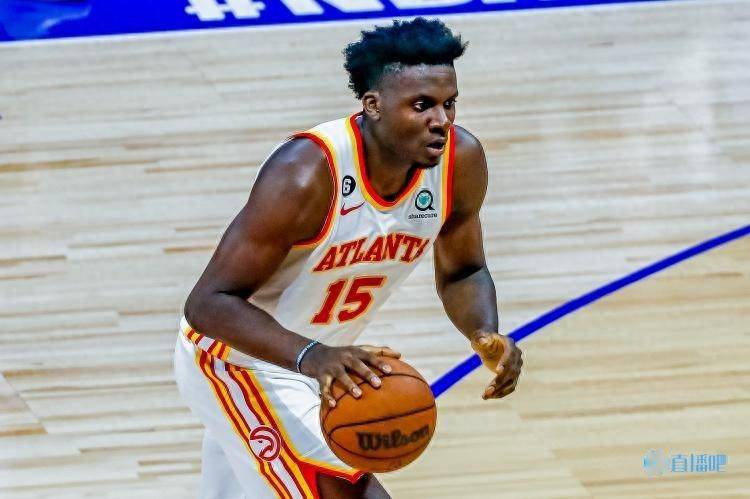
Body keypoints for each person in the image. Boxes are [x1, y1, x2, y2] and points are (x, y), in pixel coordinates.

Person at [174, 17, 523, 499]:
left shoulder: (459, 162)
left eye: (449, 103)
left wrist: (483, 331)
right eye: (421, 105)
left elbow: (464, 269)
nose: (441, 121)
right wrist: (312, 356)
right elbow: (208, 303)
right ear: (373, 105)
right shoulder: (305, 174)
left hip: (330, 363)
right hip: (237, 363)